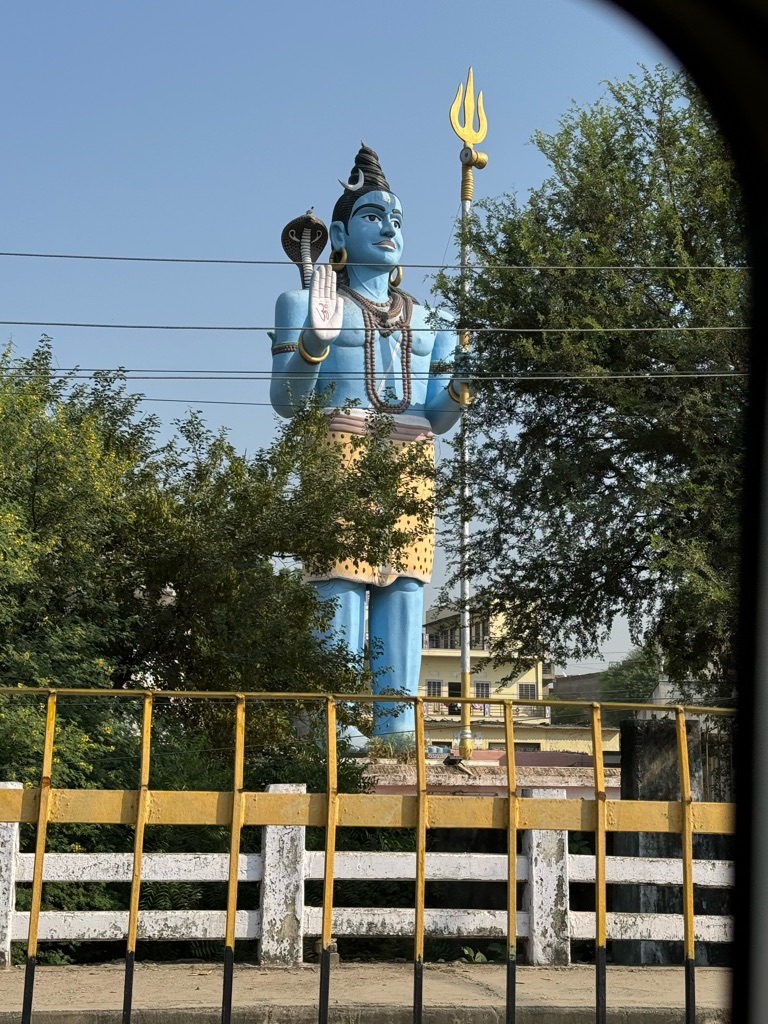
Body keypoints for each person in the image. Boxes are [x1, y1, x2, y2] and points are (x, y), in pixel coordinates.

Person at [270, 144, 464, 738]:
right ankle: (333, 719)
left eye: (396, 220)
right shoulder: (304, 303)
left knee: (406, 583)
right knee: (341, 578)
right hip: (340, 443)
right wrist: (314, 342)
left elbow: (437, 415)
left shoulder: (434, 321)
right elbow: (287, 400)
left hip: (411, 451)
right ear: (338, 233)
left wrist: (464, 384)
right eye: (373, 216)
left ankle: (396, 721)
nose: (388, 228)